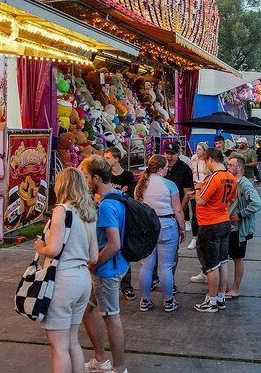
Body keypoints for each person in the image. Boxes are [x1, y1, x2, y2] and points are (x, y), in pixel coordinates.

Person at [34, 168, 98, 373]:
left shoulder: (61, 210)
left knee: (59, 347)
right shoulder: (89, 213)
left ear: (62, 185)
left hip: (63, 279)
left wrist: (40, 248)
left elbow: (53, 249)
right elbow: (94, 257)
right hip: (82, 279)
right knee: (72, 342)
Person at [79, 156, 128, 373]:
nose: (85, 181)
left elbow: (114, 244)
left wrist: (93, 264)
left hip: (107, 269)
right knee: (86, 310)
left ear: (96, 178)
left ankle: (119, 368)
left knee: (111, 317)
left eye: (87, 176)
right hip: (113, 266)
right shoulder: (117, 197)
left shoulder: (107, 205)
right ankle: (100, 358)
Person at [135, 155, 186, 312]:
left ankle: (144, 299)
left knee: (147, 266)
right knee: (165, 266)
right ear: (160, 168)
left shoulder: (140, 185)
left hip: (146, 227)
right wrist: (182, 228)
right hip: (166, 225)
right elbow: (177, 209)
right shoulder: (169, 184)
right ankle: (168, 301)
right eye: (165, 167)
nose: (167, 169)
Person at [192, 148, 237, 312]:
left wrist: (198, 187)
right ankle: (220, 298)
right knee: (223, 262)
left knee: (211, 265)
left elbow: (201, 201)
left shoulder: (214, 178)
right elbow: (231, 198)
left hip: (210, 224)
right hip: (224, 221)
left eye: (205, 162)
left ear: (211, 159)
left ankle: (211, 302)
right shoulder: (231, 178)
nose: (206, 165)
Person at [224, 155, 261, 299]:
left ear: (239, 167)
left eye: (231, 165)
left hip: (238, 228)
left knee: (237, 258)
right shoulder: (230, 181)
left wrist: (240, 215)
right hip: (227, 225)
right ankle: (225, 287)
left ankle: (235, 288)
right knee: (225, 258)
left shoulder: (245, 184)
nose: (228, 167)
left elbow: (257, 203)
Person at [103, 147, 136, 302]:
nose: (106, 160)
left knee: (122, 248)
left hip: (123, 216)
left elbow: (128, 195)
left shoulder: (127, 175)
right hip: (108, 215)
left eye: (108, 158)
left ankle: (126, 286)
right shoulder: (106, 175)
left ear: (116, 159)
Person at [163, 142, 194, 288]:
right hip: (159, 214)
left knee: (172, 250)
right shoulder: (160, 166)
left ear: (178, 153)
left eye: (172, 153)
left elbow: (187, 194)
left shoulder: (184, 169)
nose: (169, 156)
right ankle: (157, 278)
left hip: (174, 214)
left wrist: (179, 212)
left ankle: (171, 281)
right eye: (167, 153)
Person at [188, 142, 210, 254]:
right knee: (195, 215)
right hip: (195, 188)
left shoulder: (208, 162)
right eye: (197, 149)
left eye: (200, 149)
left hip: (205, 188)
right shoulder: (193, 161)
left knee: (204, 213)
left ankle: (203, 237)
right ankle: (194, 237)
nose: (197, 151)